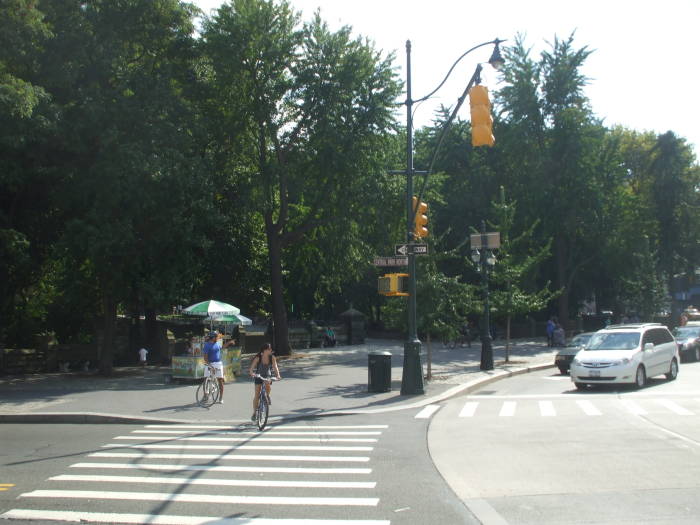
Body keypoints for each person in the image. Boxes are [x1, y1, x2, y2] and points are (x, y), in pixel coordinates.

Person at [248, 342, 281, 421]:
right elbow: (251, 368)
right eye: (269, 349)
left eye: (271, 349)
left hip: (267, 376)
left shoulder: (272, 357)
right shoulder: (258, 357)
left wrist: (278, 375)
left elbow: (275, 366)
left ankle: (266, 396)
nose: (271, 350)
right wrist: (252, 373)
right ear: (265, 350)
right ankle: (254, 413)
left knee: (268, 387)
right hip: (258, 376)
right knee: (256, 394)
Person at [202, 331, 233, 404]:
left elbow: (222, 347)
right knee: (205, 379)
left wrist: (229, 343)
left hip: (218, 364)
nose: (217, 338)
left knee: (220, 380)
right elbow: (205, 358)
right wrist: (210, 365)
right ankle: (205, 395)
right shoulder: (207, 345)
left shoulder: (217, 343)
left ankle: (221, 398)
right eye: (216, 337)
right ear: (212, 338)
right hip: (210, 363)